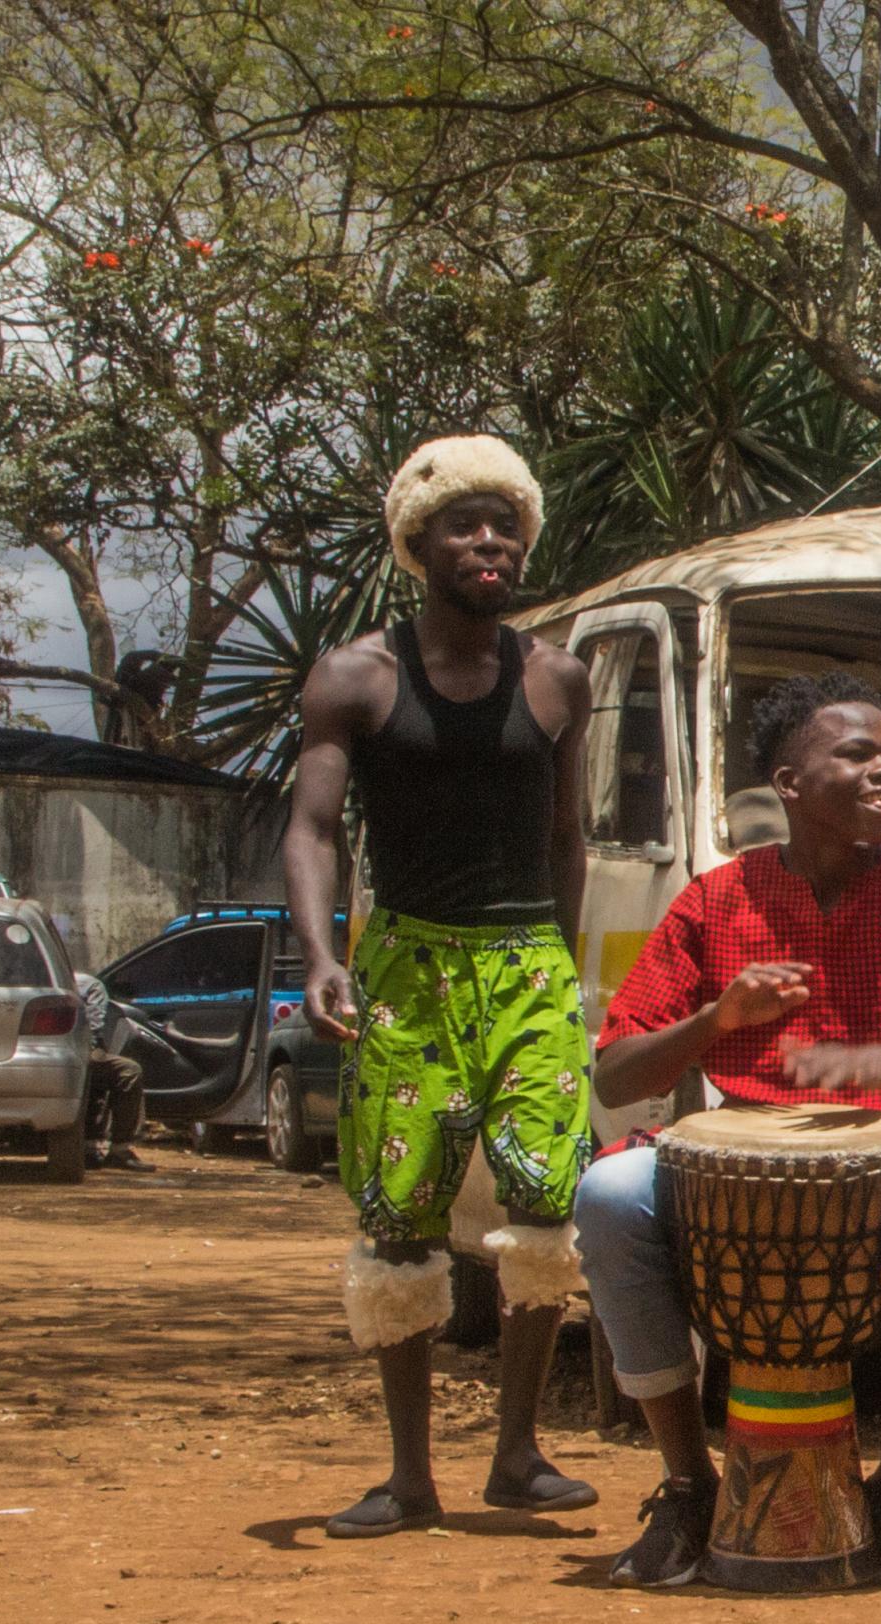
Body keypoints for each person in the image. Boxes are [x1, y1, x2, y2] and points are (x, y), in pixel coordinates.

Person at [580, 674, 881, 1590]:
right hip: (732, 1149)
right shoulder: (715, 901)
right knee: (609, 1196)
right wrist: (715, 1020)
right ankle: (686, 1487)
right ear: (788, 782)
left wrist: (875, 1065)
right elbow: (618, 1071)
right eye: (858, 755)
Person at [282, 434, 598, 1538]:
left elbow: (569, 837)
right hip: (406, 964)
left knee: (546, 1199)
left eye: (504, 523)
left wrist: (560, 962)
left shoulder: (557, 676)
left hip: (527, 967)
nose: (488, 542)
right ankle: (410, 1475)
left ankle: (516, 1454)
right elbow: (312, 828)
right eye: (463, 524)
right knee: (401, 1211)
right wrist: (325, 956)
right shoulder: (354, 677)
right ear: (416, 544)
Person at [74, 969, 149, 1171]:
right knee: (129, 1071)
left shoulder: (22, 978)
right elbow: (95, 1028)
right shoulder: (89, 984)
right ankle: (120, 1149)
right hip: (73, 1053)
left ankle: (91, 1145)